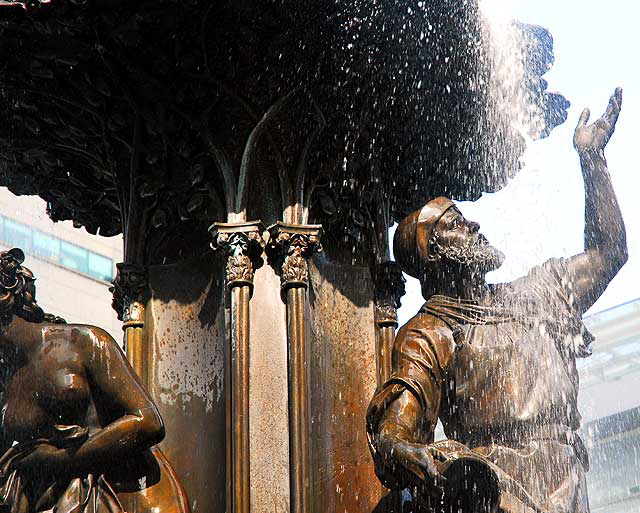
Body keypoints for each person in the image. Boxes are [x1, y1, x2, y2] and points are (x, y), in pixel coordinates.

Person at [367, 88, 626, 513]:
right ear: (433, 253)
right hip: (494, 491)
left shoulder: (540, 293)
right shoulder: (430, 330)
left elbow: (608, 253)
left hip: (564, 481)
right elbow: (399, 424)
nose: (475, 224)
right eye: (456, 223)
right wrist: (405, 451)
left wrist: (592, 159)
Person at [0, 249, 189, 513]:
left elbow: (147, 421)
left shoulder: (83, 343)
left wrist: (61, 461)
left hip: (114, 497)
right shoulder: (5, 380)